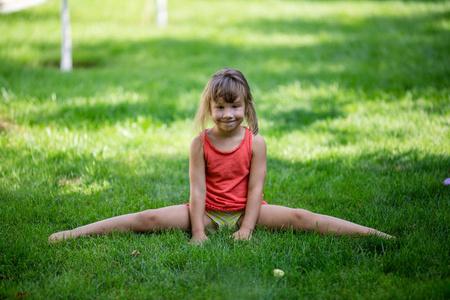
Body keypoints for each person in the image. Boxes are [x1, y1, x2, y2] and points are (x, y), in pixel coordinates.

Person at [49, 68, 393, 244]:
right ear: (210, 107)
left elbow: (255, 191)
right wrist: (198, 231)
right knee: (147, 218)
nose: (228, 114)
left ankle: (374, 236)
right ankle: (70, 235)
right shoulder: (200, 144)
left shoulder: (255, 143)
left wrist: (246, 228)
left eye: (235, 106)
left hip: (247, 211)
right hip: (209, 215)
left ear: (246, 106)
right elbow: (197, 192)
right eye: (220, 107)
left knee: (302, 217)